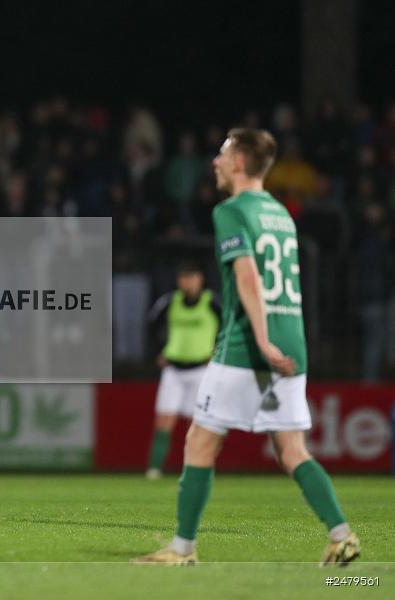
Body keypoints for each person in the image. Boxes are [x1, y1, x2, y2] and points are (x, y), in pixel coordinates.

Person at [134, 129, 359, 566]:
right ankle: (341, 535)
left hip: (249, 345)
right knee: (291, 449)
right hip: (293, 339)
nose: (215, 162)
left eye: (221, 154)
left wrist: (260, 340)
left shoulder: (231, 211)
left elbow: (248, 277)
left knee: (200, 441)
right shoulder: (280, 213)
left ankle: (182, 550)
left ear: (239, 162)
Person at [144, 263, 220, 479]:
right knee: (164, 420)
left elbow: (229, 326)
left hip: (201, 370)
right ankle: (154, 469)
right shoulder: (170, 301)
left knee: (197, 423)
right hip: (174, 370)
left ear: (200, 279)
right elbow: (151, 326)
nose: (188, 282)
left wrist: (219, 350)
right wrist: (158, 351)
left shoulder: (211, 302)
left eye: (192, 277)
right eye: (184, 278)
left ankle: (195, 468)